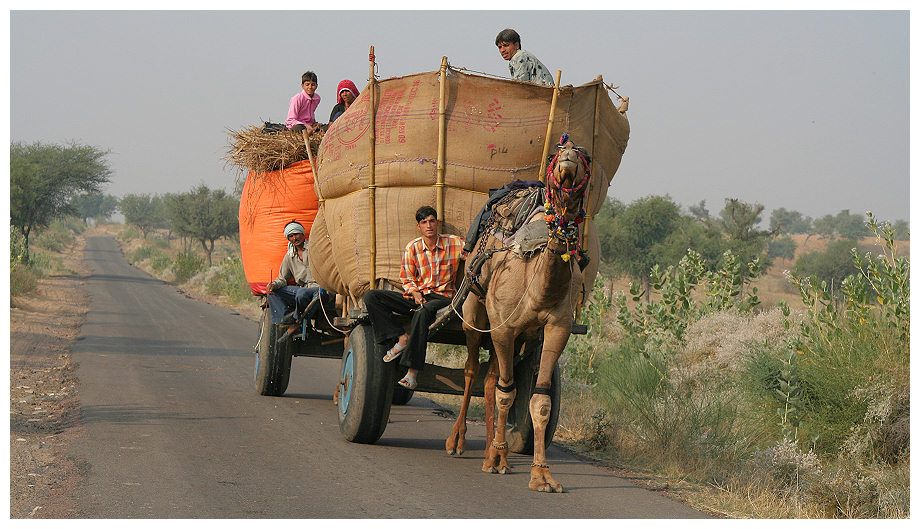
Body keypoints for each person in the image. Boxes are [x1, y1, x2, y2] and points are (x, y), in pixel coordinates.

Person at [363, 206, 465, 390]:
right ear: (419, 226)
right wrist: (415, 292)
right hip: (419, 296)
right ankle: (401, 337)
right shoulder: (413, 247)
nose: (429, 226)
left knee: (423, 312)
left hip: (443, 297)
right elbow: (407, 277)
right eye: (424, 222)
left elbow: (473, 252)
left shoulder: (455, 243)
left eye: (432, 221)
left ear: (437, 223)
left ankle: (412, 373)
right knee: (372, 297)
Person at [266, 221, 326, 343]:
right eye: (291, 236)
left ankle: (294, 320)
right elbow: (282, 279)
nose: (295, 238)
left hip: (319, 287)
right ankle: (286, 319)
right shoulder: (289, 256)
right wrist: (273, 285)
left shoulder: (314, 249)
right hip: (302, 289)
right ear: (288, 238)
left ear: (303, 234)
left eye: (297, 234)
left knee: (302, 294)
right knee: (273, 292)